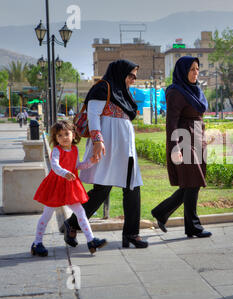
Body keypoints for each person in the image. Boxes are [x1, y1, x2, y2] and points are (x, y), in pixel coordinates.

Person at [60, 59, 148, 249]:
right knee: (102, 189)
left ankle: (131, 234)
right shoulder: (103, 87)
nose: (133, 80)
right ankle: (72, 224)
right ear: (120, 72)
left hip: (125, 149)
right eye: (130, 75)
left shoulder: (123, 94)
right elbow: (93, 115)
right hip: (106, 146)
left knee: (133, 188)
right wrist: (98, 140)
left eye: (135, 76)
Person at [151, 56, 212, 238]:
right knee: (192, 182)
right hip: (184, 139)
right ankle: (193, 226)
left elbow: (198, 117)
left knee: (192, 184)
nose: (195, 73)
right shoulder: (176, 92)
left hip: (197, 138)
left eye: (197, 69)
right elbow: (171, 122)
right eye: (192, 69)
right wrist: (174, 147)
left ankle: (162, 212)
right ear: (183, 71)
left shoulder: (195, 91)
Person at [32, 121, 107, 257]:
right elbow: (54, 166)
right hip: (55, 186)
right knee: (47, 215)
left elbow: (77, 165)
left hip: (70, 186)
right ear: (56, 138)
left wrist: (91, 162)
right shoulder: (56, 150)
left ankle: (91, 240)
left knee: (81, 213)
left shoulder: (74, 149)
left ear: (73, 134)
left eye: (67, 134)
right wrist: (65, 173)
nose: (64, 137)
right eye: (60, 135)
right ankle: (37, 243)